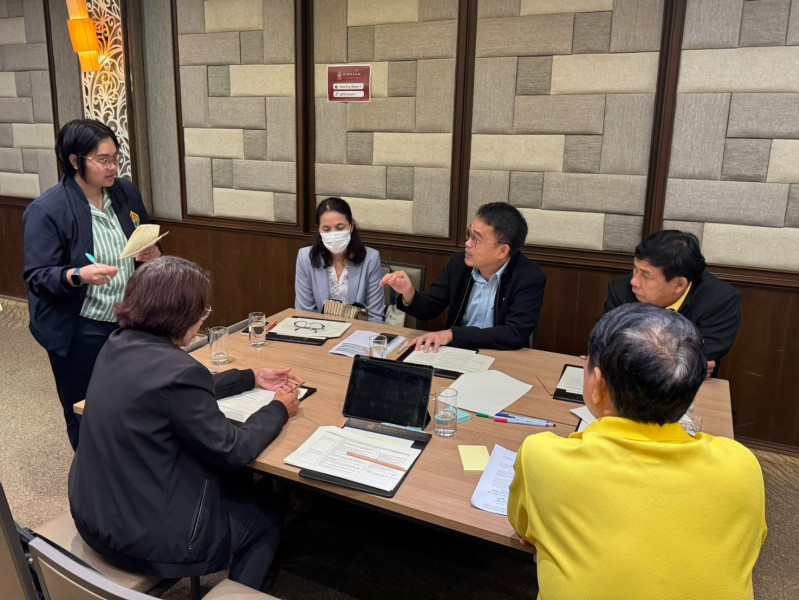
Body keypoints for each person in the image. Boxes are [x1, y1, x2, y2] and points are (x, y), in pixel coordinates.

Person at [69, 256, 303, 591]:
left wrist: (250, 377)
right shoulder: (180, 372)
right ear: (181, 315)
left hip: (92, 517)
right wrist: (279, 408)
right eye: (203, 311)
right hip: (144, 542)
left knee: (229, 481)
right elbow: (233, 449)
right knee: (267, 511)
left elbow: (171, 392)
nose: (203, 319)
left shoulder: (117, 343)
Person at [508, 304, 767, 600]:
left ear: (597, 384)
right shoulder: (741, 465)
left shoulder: (542, 456)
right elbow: (749, 543)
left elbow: (526, 530)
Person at [23, 119, 161, 450]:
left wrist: (153, 253)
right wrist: (78, 275)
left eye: (115, 158)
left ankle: (130, 463)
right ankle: (91, 473)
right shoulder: (48, 209)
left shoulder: (126, 193)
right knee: (86, 408)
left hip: (128, 318)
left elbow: (143, 239)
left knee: (133, 400)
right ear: (75, 161)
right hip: (79, 326)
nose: (113, 167)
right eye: (103, 160)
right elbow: (37, 275)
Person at [380, 202, 546, 351]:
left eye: (476, 239)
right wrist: (409, 293)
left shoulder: (529, 277)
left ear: (503, 251)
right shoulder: (459, 264)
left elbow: (514, 333)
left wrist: (453, 334)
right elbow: (430, 307)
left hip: (503, 357)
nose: (467, 243)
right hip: (458, 352)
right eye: (469, 234)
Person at [604, 230, 740, 378]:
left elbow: (699, 359)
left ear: (679, 284)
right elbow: (605, 346)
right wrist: (680, 364)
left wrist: (626, 356)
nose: (634, 281)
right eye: (635, 269)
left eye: (646, 275)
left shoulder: (719, 302)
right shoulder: (621, 290)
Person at [295, 197, 384, 322]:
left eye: (340, 227)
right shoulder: (305, 257)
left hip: (359, 331)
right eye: (326, 229)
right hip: (318, 330)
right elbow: (304, 312)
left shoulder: (371, 259)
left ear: (351, 226)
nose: (334, 234)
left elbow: (375, 317)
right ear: (319, 230)